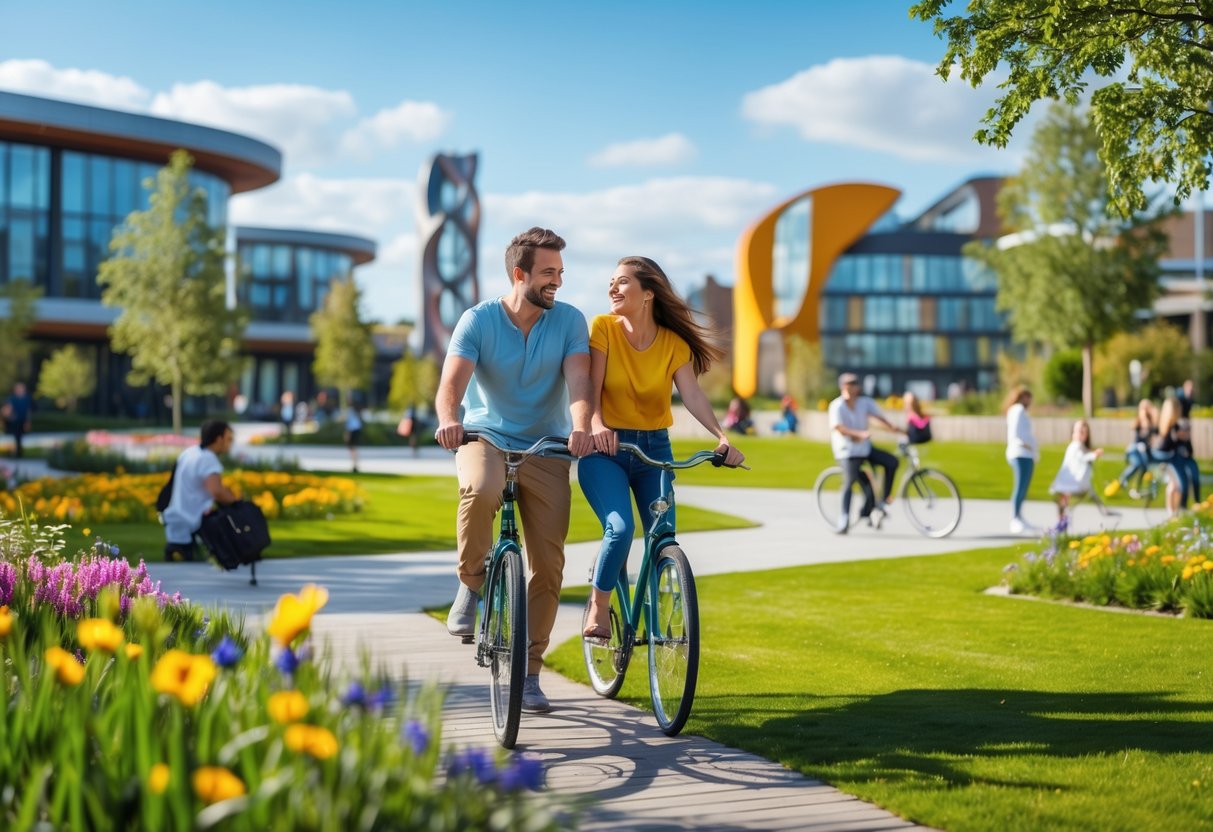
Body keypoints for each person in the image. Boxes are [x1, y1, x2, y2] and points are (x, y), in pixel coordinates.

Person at [434, 227, 593, 714]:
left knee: (548, 565)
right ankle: (472, 580)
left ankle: (529, 675)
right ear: (519, 274)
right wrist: (449, 421)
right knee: (479, 489)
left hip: (547, 444)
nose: (557, 283)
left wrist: (582, 426)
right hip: (485, 436)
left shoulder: (569, 321)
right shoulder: (478, 320)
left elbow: (580, 384)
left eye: (561, 273)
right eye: (548, 273)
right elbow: (450, 387)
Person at [579, 256, 745, 640]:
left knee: (663, 537)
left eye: (622, 282)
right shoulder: (603, 328)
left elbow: (693, 395)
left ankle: (656, 628)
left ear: (648, 293)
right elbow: (591, 385)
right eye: (611, 282)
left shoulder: (673, 343)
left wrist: (722, 436)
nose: (612, 288)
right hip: (606, 449)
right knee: (620, 530)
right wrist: (598, 425)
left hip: (655, 450)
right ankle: (598, 608)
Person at [828, 372, 904, 534]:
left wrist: (894, 429)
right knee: (850, 482)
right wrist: (859, 434)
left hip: (865, 448)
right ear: (842, 387)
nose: (851, 388)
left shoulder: (864, 403)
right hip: (847, 452)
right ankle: (843, 519)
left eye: (854, 384)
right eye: (848, 384)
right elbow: (839, 428)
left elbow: (877, 418)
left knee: (892, 462)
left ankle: (882, 502)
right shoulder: (837, 406)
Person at [162, 420, 238, 562]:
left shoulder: (190, 452)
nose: (231, 443)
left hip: (176, 513)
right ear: (218, 439)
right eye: (229, 439)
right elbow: (216, 491)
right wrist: (236, 501)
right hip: (193, 518)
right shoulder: (208, 458)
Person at [1049, 419, 1113, 520]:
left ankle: (1103, 509)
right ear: (1073, 433)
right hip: (1074, 482)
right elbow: (1081, 457)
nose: (1080, 434)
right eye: (1079, 431)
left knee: (1069, 498)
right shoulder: (1075, 446)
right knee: (1069, 498)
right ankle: (1103, 509)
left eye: (1083, 432)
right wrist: (1094, 455)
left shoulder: (1078, 446)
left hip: (1072, 481)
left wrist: (1092, 454)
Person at [1003, 385, 1039, 535]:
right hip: (1020, 453)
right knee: (1019, 486)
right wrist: (1027, 446)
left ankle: (1019, 516)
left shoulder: (1019, 411)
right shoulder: (1017, 410)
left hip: (1026, 453)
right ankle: (1014, 517)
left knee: (1024, 487)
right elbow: (1016, 434)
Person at [1105, 399, 1157, 499]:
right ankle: (1121, 481)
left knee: (1144, 467)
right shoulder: (1137, 423)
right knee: (1137, 464)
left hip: (1145, 453)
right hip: (1134, 451)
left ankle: (1137, 488)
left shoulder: (1152, 425)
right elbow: (1137, 440)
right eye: (1143, 409)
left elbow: (1152, 440)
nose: (1145, 411)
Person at [1151, 395, 1189, 516]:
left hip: (1167, 459)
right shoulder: (1169, 426)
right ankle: (1172, 512)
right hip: (1165, 460)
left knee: (1175, 486)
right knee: (1175, 486)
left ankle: (1173, 512)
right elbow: (1165, 445)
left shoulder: (1171, 426)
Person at [4, 382, 33, 458]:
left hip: (22, 421)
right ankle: (15, 452)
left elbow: (28, 411)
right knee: (14, 437)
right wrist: (10, 416)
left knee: (19, 437)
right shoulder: (12, 398)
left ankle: (18, 452)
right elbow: (7, 409)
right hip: (14, 421)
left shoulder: (27, 398)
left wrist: (28, 421)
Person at [343, 403, 364, 473]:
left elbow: (349, 423)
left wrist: (347, 433)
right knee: (353, 448)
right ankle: (355, 464)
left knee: (352, 448)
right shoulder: (354, 411)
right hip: (356, 430)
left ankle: (355, 464)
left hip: (352, 430)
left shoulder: (350, 411)